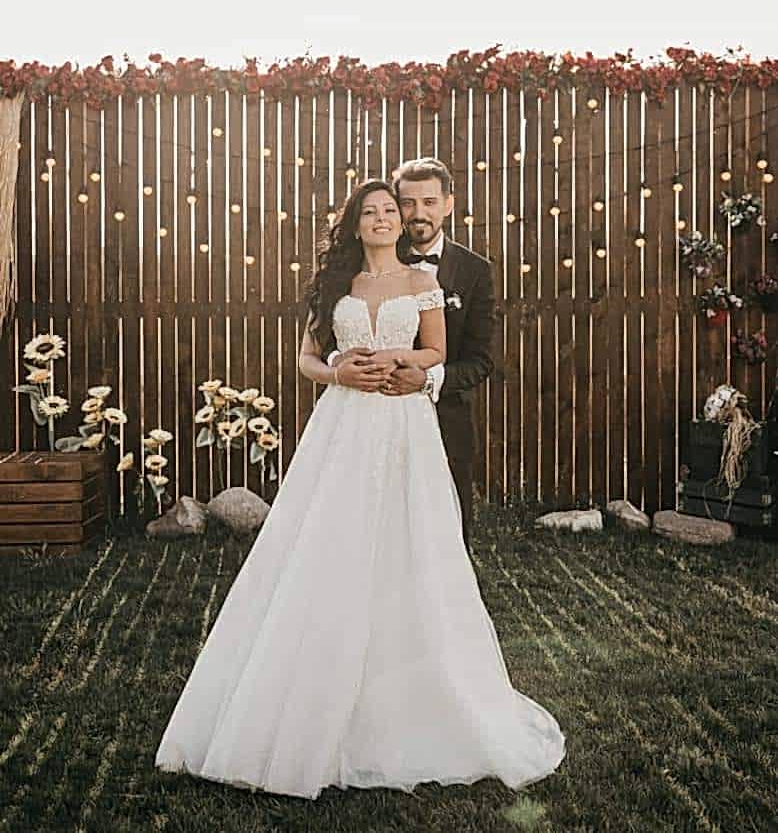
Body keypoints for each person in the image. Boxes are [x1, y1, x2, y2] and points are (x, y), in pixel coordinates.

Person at [154, 179, 565, 800]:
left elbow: (437, 351)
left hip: (404, 425)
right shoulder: (334, 286)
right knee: (329, 546)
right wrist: (338, 371)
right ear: (354, 224)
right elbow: (306, 359)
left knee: (411, 545)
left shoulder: (423, 282)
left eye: (389, 210)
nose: (382, 218)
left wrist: (405, 364)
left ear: (400, 222)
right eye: (370, 211)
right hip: (343, 424)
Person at [327, 157, 494, 555]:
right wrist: (340, 363)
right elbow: (334, 332)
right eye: (408, 202)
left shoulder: (474, 271)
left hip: (443, 417)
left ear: (448, 204)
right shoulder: (362, 260)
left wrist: (426, 378)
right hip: (363, 413)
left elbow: (481, 359)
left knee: (440, 535)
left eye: (430, 202)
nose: (419, 213)